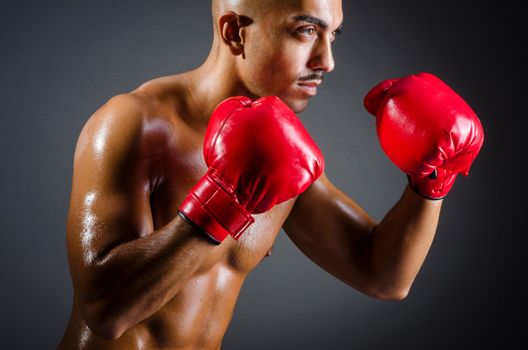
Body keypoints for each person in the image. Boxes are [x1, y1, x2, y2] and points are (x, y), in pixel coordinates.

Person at [58, 0, 484, 349]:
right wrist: (223, 199)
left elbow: (381, 275)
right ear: (233, 32)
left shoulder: (278, 151)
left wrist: (430, 184)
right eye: (305, 31)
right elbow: (105, 310)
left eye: (332, 35)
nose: (328, 61)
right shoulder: (134, 124)